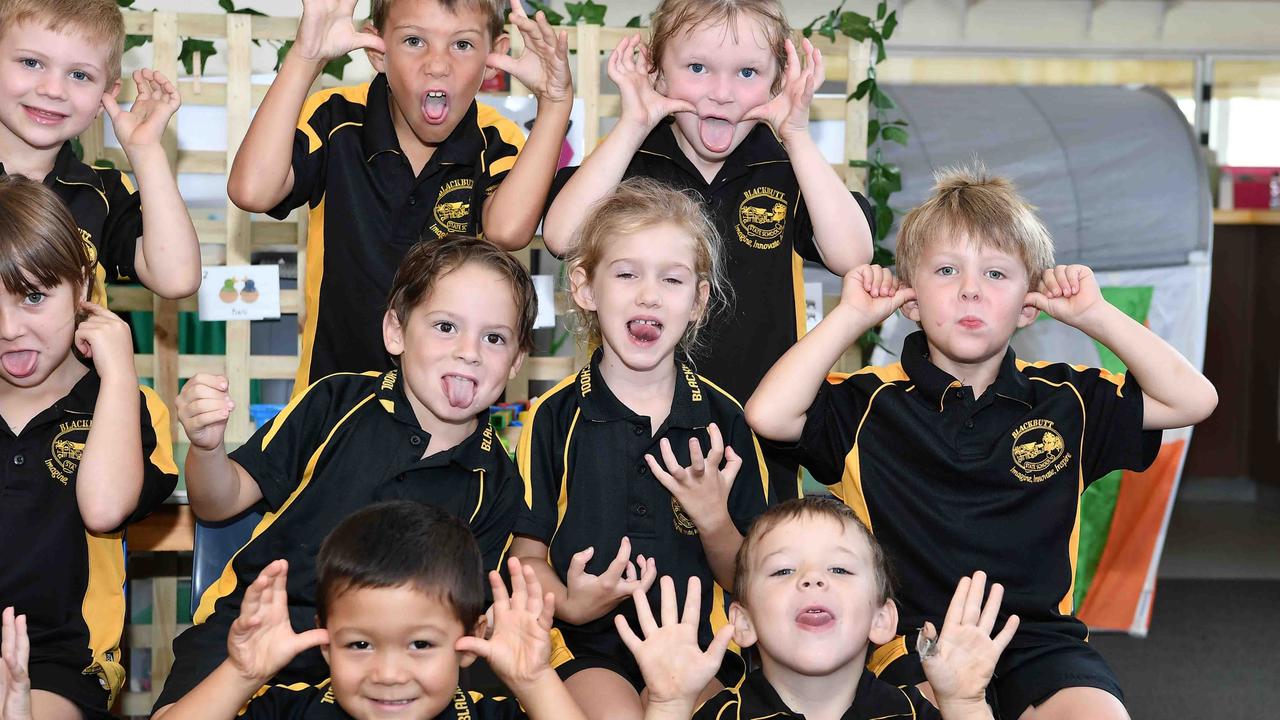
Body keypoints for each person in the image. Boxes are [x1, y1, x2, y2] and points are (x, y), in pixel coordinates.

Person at [746, 166, 1218, 720]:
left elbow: (1194, 400)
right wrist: (850, 316)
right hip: (908, 644)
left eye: (996, 274)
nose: (970, 288)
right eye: (946, 271)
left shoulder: (1067, 399)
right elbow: (768, 413)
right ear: (911, 300)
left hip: (1037, 641)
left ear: (1028, 306)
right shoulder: (867, 402)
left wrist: (1096, 315)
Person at [153, 235, 534, 717]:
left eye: (494, 338)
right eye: (445, 326)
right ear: (396, 331)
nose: (469, 352)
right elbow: (218, 502)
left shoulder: (498, 481)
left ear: (517, 360)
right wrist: (207, 448)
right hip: (259, 630)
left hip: (389, 665)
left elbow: (462, 625)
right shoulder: (334, 402)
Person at [541, 0, 875, 498]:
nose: (721, 93)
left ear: (777, 81)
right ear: (656, 71)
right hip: (629, 428)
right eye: (697, 68)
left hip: (755, 432)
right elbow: (562, 236)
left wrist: (799, 137)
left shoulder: (786, 166)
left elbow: (853, 257)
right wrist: (632, 124)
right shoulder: (631, 159)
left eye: (747, 72)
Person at [512, 178, 770, 720]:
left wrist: (713, 519)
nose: (648, 294)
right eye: (626, 274)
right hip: (587, 651)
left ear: (699, 300)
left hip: (701, 650)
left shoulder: (725, 421)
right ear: (585, 289)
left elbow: (748, 577)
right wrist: (571, 601)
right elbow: (526, 558)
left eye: (671, 279)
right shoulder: (554, 417)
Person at [227, 0, 572, 390]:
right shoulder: (336, 116)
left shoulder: (495, 141)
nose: (437, 64)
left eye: (462, 45)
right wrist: (306, 57)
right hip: (329, 398)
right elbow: (252, 190)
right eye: (413, 40)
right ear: (378, 50)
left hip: (444, 407)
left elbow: (509, 231)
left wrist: (556, 105)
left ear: (493, 59)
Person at [0, 174, 178, 720]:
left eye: (33, 296)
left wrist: (118, 371)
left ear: (82, 288)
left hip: (65, 660)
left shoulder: (130, 405)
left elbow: (103, 508)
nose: (9, 329)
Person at [159, 500, 590, 720]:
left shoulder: (485, 714)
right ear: (325, 641)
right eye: (360, 644)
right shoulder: (293, 710)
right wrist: (242, 673)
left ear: (471, 640)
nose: (388, 673)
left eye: (420, 644)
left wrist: (535, 681)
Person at [618, 497, 1020, 720]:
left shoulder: (913, 714)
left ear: (882, 619)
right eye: (783, 570)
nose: (812, 579)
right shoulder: (723, 716)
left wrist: (966, 706)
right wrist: (667, 706)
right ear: (743, 622)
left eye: (840, 568)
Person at [0, 0, 201, 302]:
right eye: (32, 63)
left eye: (79, 75)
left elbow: (178, 278)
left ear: (105, 96)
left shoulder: (103, 193)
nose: (53, 89)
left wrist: (145, 151)